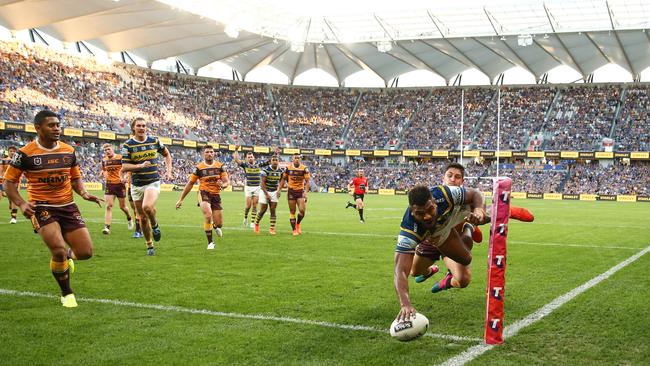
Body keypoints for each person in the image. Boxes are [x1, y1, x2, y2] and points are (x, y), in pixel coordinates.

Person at [3, 110, 102, 307]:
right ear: (38, 128)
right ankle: (67, 293)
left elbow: (75, 177)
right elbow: (8, 182)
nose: (56, 128)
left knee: (85, 252)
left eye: (58, 125)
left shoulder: (68, 150)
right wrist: (22, 203)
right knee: (58, 249)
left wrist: (83, 193)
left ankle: (67, 259)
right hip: (41, 207)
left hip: (68, 206)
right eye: (51, 125)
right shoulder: (25, 154)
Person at [393, 184, 487, 322]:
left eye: (430, 209)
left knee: (483, 217)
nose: (426, 216)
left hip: (452, 215)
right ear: (412, 212)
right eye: (420, 213)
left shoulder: (443, 194)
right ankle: (468, 228)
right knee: (465, 258)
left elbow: (475, 193)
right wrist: (405, 304)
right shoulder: (409, 229)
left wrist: (479, 210)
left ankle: (474, 224)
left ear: (434, 202)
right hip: (440, 233)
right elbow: (400, 270)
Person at [120, 117, 173, 256]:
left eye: (144, 125)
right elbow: (125, 166)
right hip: (137, 185)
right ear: (133, 128)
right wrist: (139, 166)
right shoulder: (128, 145)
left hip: (152, 181)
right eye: (139, 126)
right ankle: (149, 244)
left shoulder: (154, 141)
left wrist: (168, 171)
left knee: (147, 207)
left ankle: (155, 225)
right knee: (142, 218)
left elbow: (167, 155)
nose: (142, 128)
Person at [176, 145, 229, 250]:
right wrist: (180, 199)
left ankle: (214, 226)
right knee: (208, 214)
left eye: (211, 152)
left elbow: (227, 181)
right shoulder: (199, 168)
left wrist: (222, 185)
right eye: (207, 152)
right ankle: (210, 243)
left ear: (214, 154)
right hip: (203, 192)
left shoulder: (220, 166)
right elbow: (190, 184)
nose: (209, 154)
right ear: (203, 154)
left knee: (219, 224)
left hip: (216, 195)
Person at [100, 144, 133, 235]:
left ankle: (129, 218)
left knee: (122, 207)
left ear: (113, 149)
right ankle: (107, 227)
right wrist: (103, 173)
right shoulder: (104, 160)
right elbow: (104, 170)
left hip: (120, 184)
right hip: (110, 184)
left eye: (108, 149)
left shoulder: (120, 158)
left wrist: (125, 177)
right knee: (108, 206)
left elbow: (128, 168)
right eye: (105, 150)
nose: (107, 151)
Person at [233, 149, 267, 228]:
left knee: (255, 205)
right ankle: (245, 218)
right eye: (248, 157)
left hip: (257, 187)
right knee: (248, 206)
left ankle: (252, 221)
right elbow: (236, 160)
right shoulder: (245, 165)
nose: (250, 158)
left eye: (251, 157)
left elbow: (268, 162)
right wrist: (236, 150)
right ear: (246, 159)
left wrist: (275, 153)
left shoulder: (259, 165)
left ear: (254, 157)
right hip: (248, 187)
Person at [278, 153, 310, 236]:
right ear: (292, 159)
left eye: (298, 158)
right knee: (292, 211)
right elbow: (283, 180)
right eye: (295, 158)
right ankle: (294, 230)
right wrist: (279, 190)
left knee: (302, 211)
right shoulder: (288, 168)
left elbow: (307, 182)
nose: (297, 159)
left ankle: (298, 224)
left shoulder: (304, 169)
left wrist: (306, 193)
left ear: (300, 159)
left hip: (300, 192)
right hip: (291, 191)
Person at [254, 155, 283, 235]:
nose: (275, 161)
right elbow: (262, 183)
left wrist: (279, 190)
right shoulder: (265, 170)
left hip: (274, 192)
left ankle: (272, 228)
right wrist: (266, 194)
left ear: (278, 161)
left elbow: (282, 181)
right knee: (263, 210)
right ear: (270, 161)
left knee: (273, 210)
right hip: (264, 191)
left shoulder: (280, 171)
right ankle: (256, 224)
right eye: (273, 160)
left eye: (276, 160)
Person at [0, 146, 20, 223]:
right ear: (8, 152)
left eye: (14, 151)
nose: (12, 152)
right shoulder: (3, 161)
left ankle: (14, 218)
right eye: (11, 151)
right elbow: (1, 171)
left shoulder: (18, 161)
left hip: (14, 183)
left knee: (13, 200)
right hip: (3, 181)